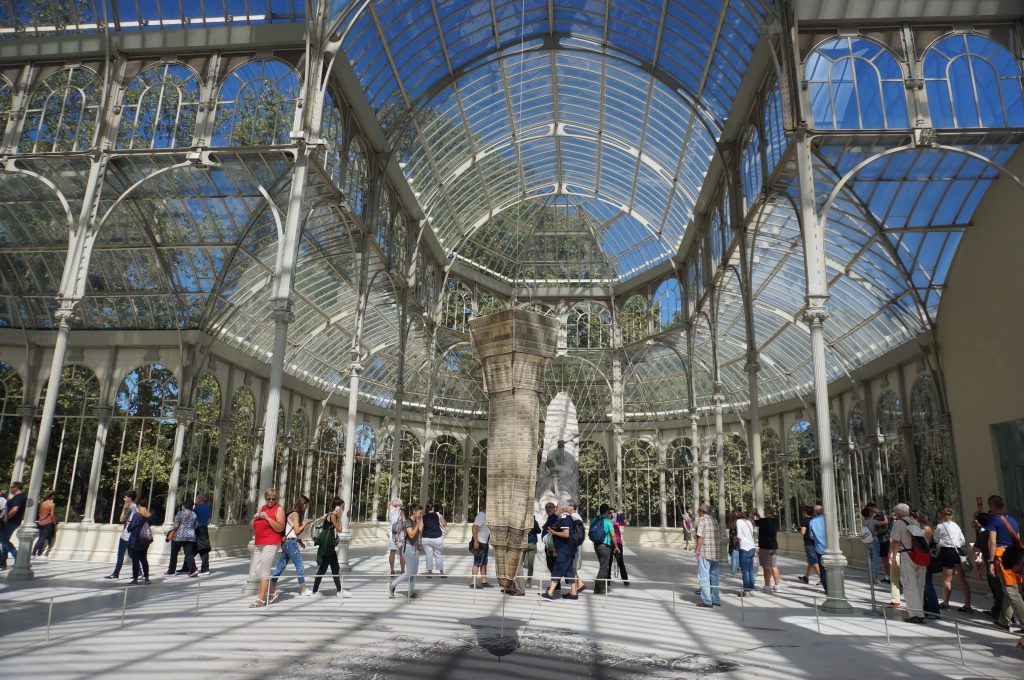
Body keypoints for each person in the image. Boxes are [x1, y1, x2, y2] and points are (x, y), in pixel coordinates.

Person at [987, 494, 1024, 632]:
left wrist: (990, 561)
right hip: (1016, 556)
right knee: (1013, 589)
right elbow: (1018, 539)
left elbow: (992, 541)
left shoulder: (993, 520)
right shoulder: (1012, 520)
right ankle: (1003, 620)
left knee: (1011, 591)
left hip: (1003, 557)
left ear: (991, 505)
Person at [269, 495, 314, 601]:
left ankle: (271, 587)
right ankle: (303, 589)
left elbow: (292, 531)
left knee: (281, 566)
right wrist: (306, 523)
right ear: (302, 503)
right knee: (300, 566)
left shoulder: (291, 513)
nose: (306, 507)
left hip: (287, 543)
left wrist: (299, 541)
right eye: (305, 505)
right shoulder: (295, 514)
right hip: (290, 544)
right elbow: (297, 530)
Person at [890, 503, 927, 624]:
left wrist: (893, 555)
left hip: (907, 555)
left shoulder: (899, 523)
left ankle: (915, 614)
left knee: (909, 585)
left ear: (898, 513)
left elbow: (896, 541)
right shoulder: (915, 522)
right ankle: (920, 611)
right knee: (920, 584)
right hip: (920, 556)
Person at [250, 488, 285, 608]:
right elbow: (252, 526)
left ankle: (260, 599)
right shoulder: (263, 508)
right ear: (265, 499)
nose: (271, 501)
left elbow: (280, 528)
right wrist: (255, 517)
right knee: (258, 569)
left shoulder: (279, 509)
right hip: (259, 542)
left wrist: (268, 519)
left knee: (264, 570)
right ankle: (272, 591)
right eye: (268, 498)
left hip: (271, 542)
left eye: (273, 499)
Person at [935, 507, 972, 612]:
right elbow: (963, 540)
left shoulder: (940, 526)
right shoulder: (956, 525)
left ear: (941, 515)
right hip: (957, 552)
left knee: (947, 580)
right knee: (962, 581)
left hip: (947, 552)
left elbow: (936, 539)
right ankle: (967, 605)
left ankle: (946, 603)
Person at [312, 497, 350, 599]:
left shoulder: (331, 515)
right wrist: (339, 517)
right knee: (322, 570)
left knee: (335, 568)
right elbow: (340, 529)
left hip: (330, 546)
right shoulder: (332, 516)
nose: (343, 509)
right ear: (337, 507)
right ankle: (314, 592)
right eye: (342, 507)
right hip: (327, 546)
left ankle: (339, 590)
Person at [542, 502, 579, 601]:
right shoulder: (565, 518)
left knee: (557, 570)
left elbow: (566, 534)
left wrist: (554, 532)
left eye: (557, 507)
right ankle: (574, 593)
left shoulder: (564, 518)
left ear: (562, 509)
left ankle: (550, 593)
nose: (555, 508)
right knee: (569, 572)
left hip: (564, 549)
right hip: (569, 549)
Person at [390, 504, 423, 598]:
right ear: (414, 512)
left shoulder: (416, 521)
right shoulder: (408, 522)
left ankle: (411, 592)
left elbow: (416, 536)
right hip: (407, 549)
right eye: (420, 513)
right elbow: (411, 535)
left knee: (414, 572)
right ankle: (392, 584)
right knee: (409, 572)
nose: (421, 515)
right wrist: (417, 524)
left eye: (422, 513)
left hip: (415, 549)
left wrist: (418, 547)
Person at [914, 511, 941, 618]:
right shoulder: (921, 529)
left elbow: (925, 544)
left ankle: (934, 610)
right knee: (923, 584)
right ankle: (926, 608)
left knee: (927, 585)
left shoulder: (926, 529)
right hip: (921, 559)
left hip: (926, 560)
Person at [105, 489, 138, 579]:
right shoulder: (136, 507)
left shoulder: (130, 508)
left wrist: (123, 509)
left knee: (120, 554)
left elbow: (122, 520)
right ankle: (139, 571)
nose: (124, 498)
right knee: (132, 554)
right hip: (133, 534)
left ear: (130, 498)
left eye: (125, 497)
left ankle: (116, 573)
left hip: (126, 534)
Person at [694, 502, 721, 608]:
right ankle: (716, 599)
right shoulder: (714, 520)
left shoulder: (702, 519)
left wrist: (697, 549)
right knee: (714, 576)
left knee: (704, 576)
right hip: (715, 552)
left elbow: (700, 536)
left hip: (705, 552)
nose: (698, 513)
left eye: (698, 511)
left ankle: (706, 601)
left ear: (701, 511)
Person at [166, 497, 199, 577]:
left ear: (184, 505)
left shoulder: (180, 513)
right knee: (189, 554)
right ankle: (193, 570)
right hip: (190, 537)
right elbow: (196, 526)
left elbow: (176, 526)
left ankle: (171, 571)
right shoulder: (194, 514)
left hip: (179, 536)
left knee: (174, 553)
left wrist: (176, 526)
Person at [126, 496, 153, 584]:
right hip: (145, 540)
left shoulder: (137, 515)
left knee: (135, 560)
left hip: (136, 540)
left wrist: (129, 527)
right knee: (144, 559)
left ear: (139, 505)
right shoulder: (149, 515)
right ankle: (147, 578)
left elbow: (130, 528)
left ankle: (135, 579)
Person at [754, 506, 781, 593]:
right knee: (774, 566)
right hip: (774, 546)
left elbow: (754, 522)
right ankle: (777, 585)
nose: (764, 512)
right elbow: (763, 521)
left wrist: (753, 513)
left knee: (766, 567)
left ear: (767, 512)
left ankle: (767, 585)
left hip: (765, 547)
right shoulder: (776, 521)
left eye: (765, 511)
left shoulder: (763, 521)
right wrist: (757, 515)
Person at [1, 481, 26, 570]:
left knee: (3, 539)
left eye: (11, 487)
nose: (10, 489)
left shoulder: (20, 496)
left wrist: (6, 518)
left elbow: (15, 509)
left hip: (11, 522)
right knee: (4, 540)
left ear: (16, 488)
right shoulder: (18, 497)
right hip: (11, 521)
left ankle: (17, 557)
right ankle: (2, 561)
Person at [592, 504, 616, 594]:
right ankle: (598, 589)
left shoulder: (594, 519)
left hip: (596, 545)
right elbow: (613, 535)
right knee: (604, 567)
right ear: (607, 512)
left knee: (603, 566)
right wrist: (616, 546)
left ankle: (602, 586)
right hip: (605, 546)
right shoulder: (608, 521)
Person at [860, 505, 886, 585]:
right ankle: (875, 578)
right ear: (870, 514)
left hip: (867, 542)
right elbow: (885, 522)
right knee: (876, 560)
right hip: (874, 540)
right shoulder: (872, 521)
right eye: (871, 512)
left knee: (869, 560)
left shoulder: (864, 522)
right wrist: (884, 514)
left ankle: (870, 578)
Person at [421, 502, 447, 577]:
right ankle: (441, 572)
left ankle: (430, 572)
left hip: (426, 538)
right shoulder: (438, 515)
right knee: (438, 555)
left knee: (429, 555)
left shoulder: (423, 516)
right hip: (437, 537)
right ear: (433, 508)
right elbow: (444, 524)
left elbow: (421, 528)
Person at [567, 500, 586, 594]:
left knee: (572, 569)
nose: (566, 507)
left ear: (572, 507)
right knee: (572, 568)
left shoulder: (573, 516)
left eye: (568, 505)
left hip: (574, 545)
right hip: (576, 545)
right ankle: (580, 584)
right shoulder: (576, 516)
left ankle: (574, 590)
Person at [470, 504, 491, 588]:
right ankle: (473, 582)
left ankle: (484, 581)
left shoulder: (486, 516)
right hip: (480, 542)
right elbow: (474, 527)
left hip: (485, 543)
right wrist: (476, 541)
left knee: (484, 563)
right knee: (477, 563)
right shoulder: (481, 515)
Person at [808, 505, 827, 594]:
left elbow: (811, 536)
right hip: (831, 548)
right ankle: (835, 587)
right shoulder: (829, 520)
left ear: (815, 512)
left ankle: (827, 588)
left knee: (822, 568)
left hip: (819, 547)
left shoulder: (813, 521)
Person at [736, 510, 756, 596]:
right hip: (752, 547)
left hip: (745, 548)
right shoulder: (749, 522)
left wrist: (735, 540)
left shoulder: (739, 521)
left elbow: (739, 535)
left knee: (745, 570)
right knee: (750, 569)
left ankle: (746, 590)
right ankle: (751, 589)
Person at [31, 490, 56, 559]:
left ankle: (33, 553)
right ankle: (39, 554)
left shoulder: (42, 503)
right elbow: (52, 515)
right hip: (48, 522)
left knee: (40, 538)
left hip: (40, 522)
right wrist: (54, 522)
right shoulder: (52, 504)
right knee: (43, 538)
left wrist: (41, 519)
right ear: (52, 496)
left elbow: (40, 513)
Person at [798, 506, 819, 585]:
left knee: (813, 561)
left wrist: (800, 529)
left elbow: (803, 532)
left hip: (808, 543)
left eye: (803, 511)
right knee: (811, 561)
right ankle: (806, 577)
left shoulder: (805, 520)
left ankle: (822, 578)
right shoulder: (814, 519)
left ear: (806, 512)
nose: (802, 513)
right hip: (816, 542)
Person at [541, 501, 559, 589]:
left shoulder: (555, 518)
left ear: (554, 508)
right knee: (551, 566)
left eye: (550, 507)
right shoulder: (550, 518)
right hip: (549, 548)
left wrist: (554, 548)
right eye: (546, 507)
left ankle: (555, 587)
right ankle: (555, 586)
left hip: (553, 548)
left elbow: (555, 534)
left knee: (553, 567)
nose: (548, 509)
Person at [194, 493, 213, 574]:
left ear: (201, 499)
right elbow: (208, 517)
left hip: (198, 528)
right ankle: (187, 566)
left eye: (197, 498)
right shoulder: (208, 507)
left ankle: (205, 568)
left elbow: (193, 517)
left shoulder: (197, 508)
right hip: (204, 528)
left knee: (201, 549)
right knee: (201, 548)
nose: (195, 499)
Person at [387, 498, 406, 575]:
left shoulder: (390, 511)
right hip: (399, 533)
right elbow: (404, 522)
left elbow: (388, 503)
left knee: (392, 552)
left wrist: (392, 503)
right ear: (401, 505)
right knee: (401, 552)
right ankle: (402, 570)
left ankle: (392, 570)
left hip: (392, 532)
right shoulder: (401, 512)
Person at [611, 508, 629, 586]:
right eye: (610, 513)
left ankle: (625, 580)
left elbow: (627, 523)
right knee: (608, 562)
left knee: (620, 562)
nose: (612, 514)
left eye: (613, 513)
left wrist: (621, 516)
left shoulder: (618, 521)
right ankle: (607, 580)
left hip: (618, 543)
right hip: (608, 542)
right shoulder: (606, 521)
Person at [524, 516, 541, 587]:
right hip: (531, 544)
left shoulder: (523, 520)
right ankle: (528, 581)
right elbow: (539, 531)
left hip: (524, 543)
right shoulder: (534, 522)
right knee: (530, 565)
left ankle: (522, 581)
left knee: (521, 564)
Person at [727, 510, 740, 576]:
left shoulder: (733, 523)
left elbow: (732, 533)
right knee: (736, 555)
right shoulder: (738, 522)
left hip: (734, 541)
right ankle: (736, 567)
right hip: (736, 541)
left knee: (734, 555)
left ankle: (734, 569)